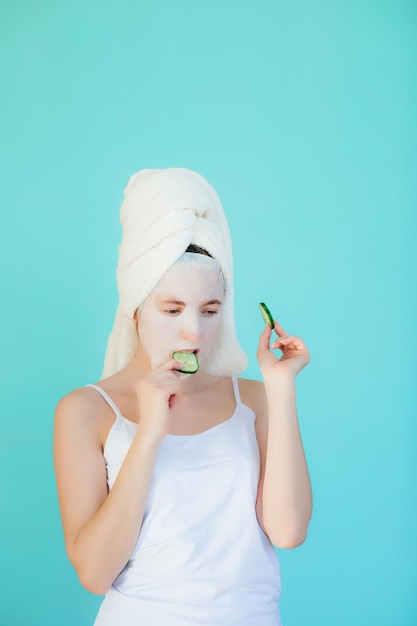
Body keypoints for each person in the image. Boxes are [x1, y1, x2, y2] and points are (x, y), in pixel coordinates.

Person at [54, 167, 312, 626]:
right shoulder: (87, 411)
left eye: (210, 310)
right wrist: (150, 432)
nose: (194, 331)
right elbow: (95, 573)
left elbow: (288, 532)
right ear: (135, 308)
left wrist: (281, 388)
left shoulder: (254, 401)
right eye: (172, 309)